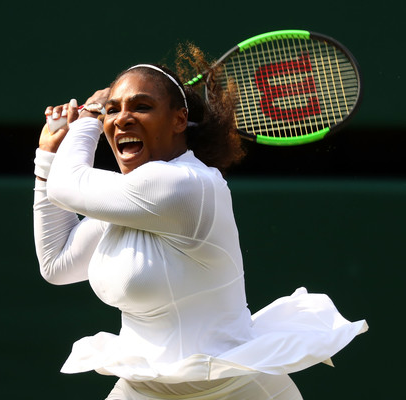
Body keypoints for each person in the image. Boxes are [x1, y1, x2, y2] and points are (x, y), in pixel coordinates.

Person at [33, 45, 367, 399]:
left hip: (237, 392)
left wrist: (87, 120)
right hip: (143, 391)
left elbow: (68, 186)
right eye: (113, 110)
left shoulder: (185, 186)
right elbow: (58, 263)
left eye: (141, 107)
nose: (121, 119)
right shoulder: (131, 199)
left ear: (180, 120)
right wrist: (48, 157)